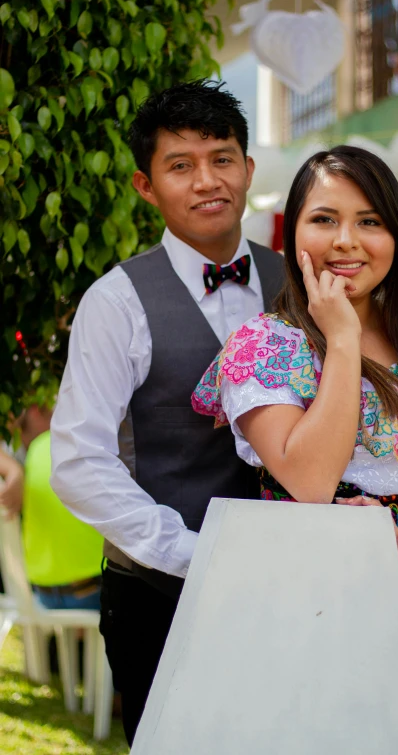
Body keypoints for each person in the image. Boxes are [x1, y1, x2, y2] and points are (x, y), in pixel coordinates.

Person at [193, 145, 398, 754]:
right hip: (305, 606)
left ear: (397, 236)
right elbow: (310, 479)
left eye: (370, 221)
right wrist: (341, 338)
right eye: (324, 219)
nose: (347, 242)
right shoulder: (265, 347)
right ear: (293, 234)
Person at [50, 81, 285, 744]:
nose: (207, 180)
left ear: (248, 168)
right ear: (145, 185)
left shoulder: (300, 280)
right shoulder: (116, 301)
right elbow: (77, 462)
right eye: (181, 165)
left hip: (287, 585)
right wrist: (194, 552)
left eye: (222, 158)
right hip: (162, 595)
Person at [11, 405, 103, 610]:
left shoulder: (29, 454)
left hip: (43, 597)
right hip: (90, 592)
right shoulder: (79, 441)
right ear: (36, 410)